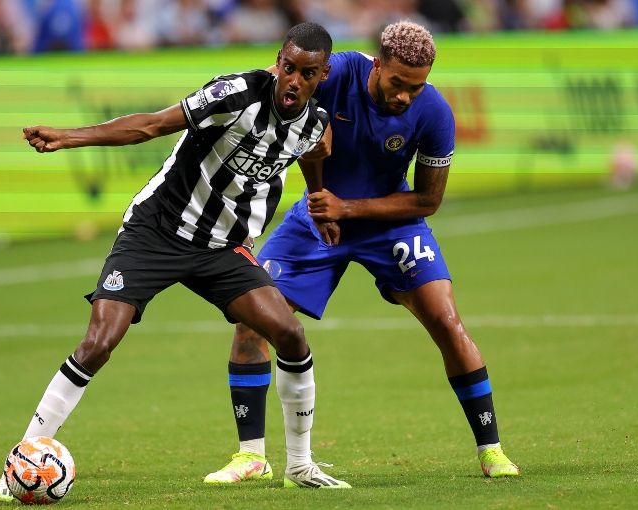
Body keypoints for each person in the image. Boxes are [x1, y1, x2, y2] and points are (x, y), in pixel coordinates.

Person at [0, 22, 351, 502]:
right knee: (98, 341)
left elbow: (313, 152)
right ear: (278, 60)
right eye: (287, 68)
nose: (293, 81)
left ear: (322, 75)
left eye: (306, 73)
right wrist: (70, 138)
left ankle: (299, 466)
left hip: (222, 246)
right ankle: (19, 468)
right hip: (156, 231)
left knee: (290, 334)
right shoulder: (234, 94)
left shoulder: (314, 122)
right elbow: (152, 125)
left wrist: (320, 199)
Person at [204, 20, 520, 485]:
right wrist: (321, 205)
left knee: (447, 322)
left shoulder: (434, 114)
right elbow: (287, 94)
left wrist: (347, 208)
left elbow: (427, 201)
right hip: (315, 217)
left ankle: (491, 449)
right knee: (252, 320)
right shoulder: (338, 74)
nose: (404, 96)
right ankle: (251, 456)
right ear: (377, 64)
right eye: (397, 83)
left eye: (416, 87)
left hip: (389, 222)